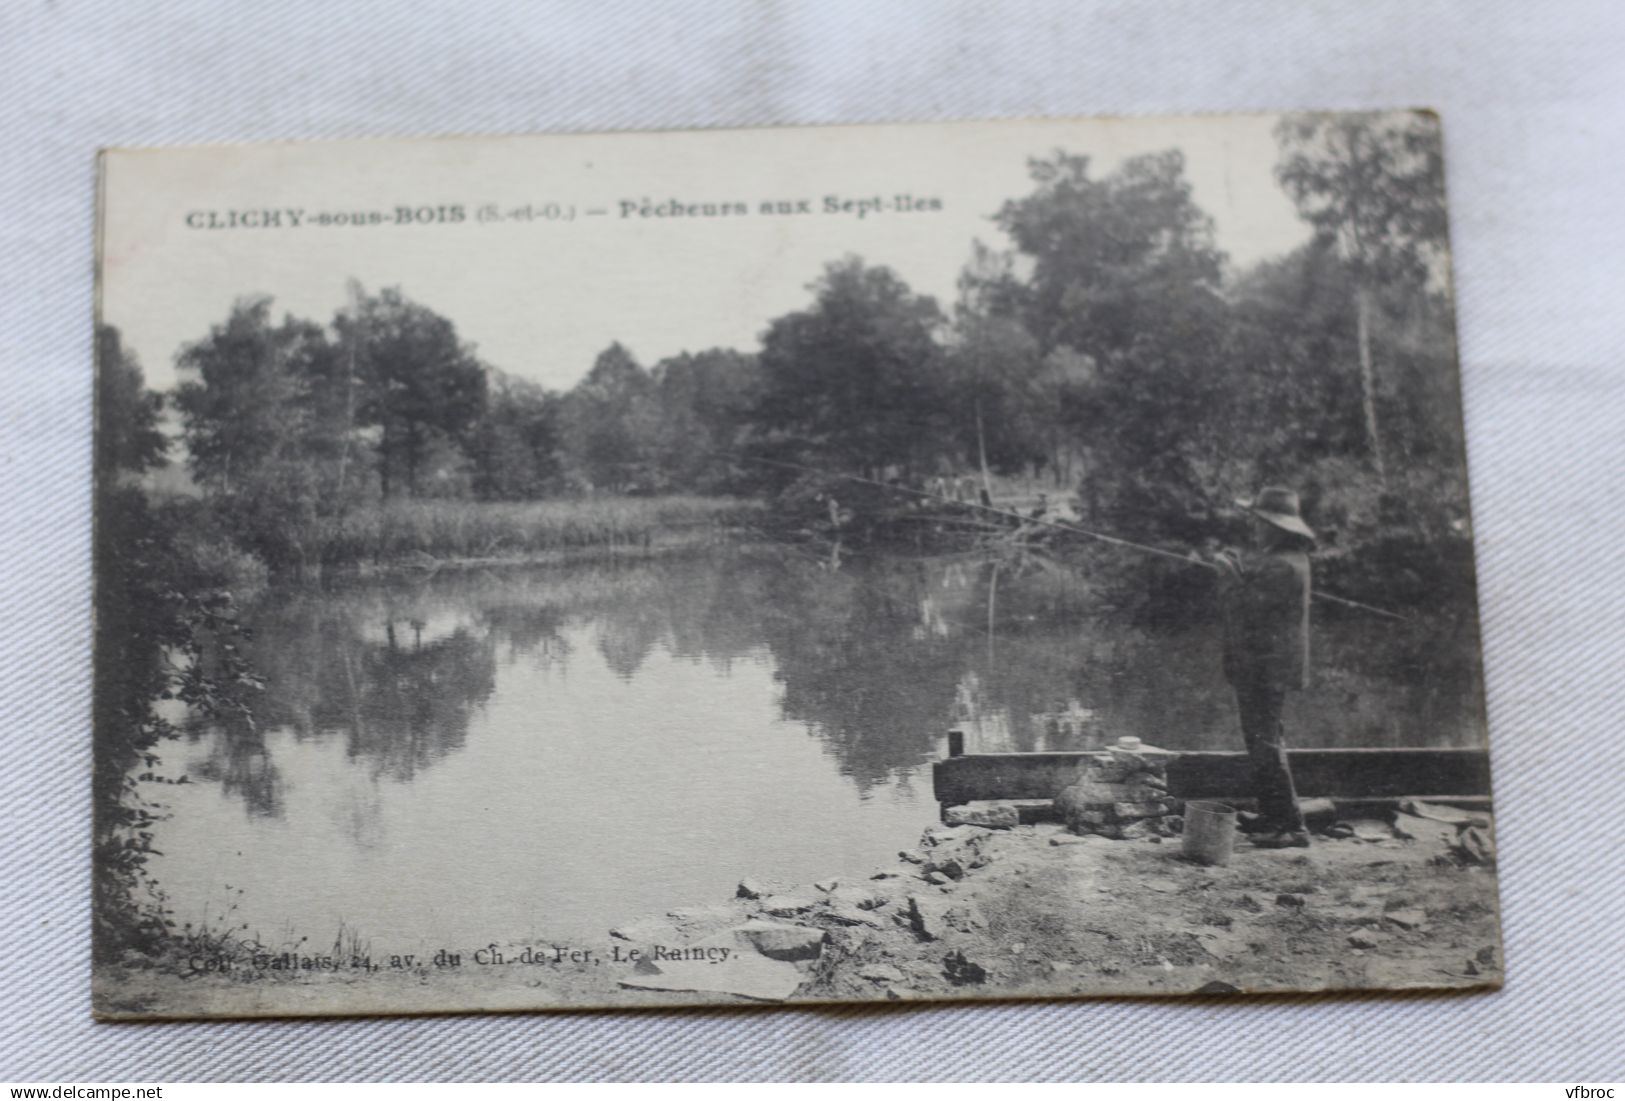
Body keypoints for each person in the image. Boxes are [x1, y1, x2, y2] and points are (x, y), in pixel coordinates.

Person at [1212, 486, 1316, 849]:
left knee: (1265, 742)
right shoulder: (1290, 558)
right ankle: (1273, 816)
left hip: (1266, 668)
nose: (1255, 526)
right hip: (1270, 666)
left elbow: (1245, 610)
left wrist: (1227, 576)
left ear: (1276, 526)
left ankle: (1290, 825)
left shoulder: (1282, 564)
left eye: (1260, 521)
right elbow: (1257, 591)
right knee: (1265, 740)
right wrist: (1237, 569)